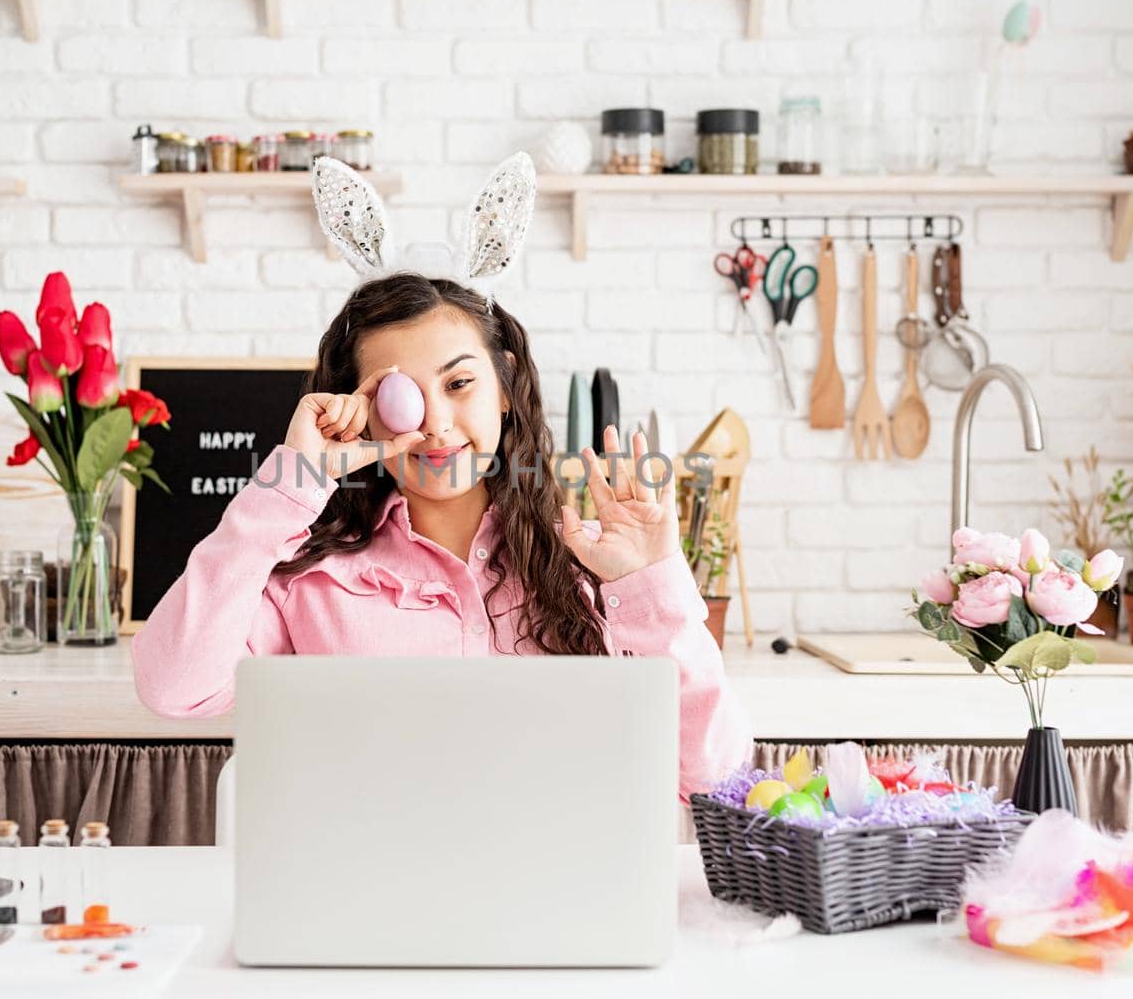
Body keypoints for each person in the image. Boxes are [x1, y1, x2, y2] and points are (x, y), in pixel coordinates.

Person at [132, 154, 751, 801]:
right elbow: (174, 690)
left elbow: (713, 777)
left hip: (561, 891)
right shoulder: (311, 584)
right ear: (362, 408)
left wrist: (651, 582)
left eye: (459, 383)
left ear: (505, 388)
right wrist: (289, 486)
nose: (433, 425)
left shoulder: (594, 566)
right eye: (400, 395)